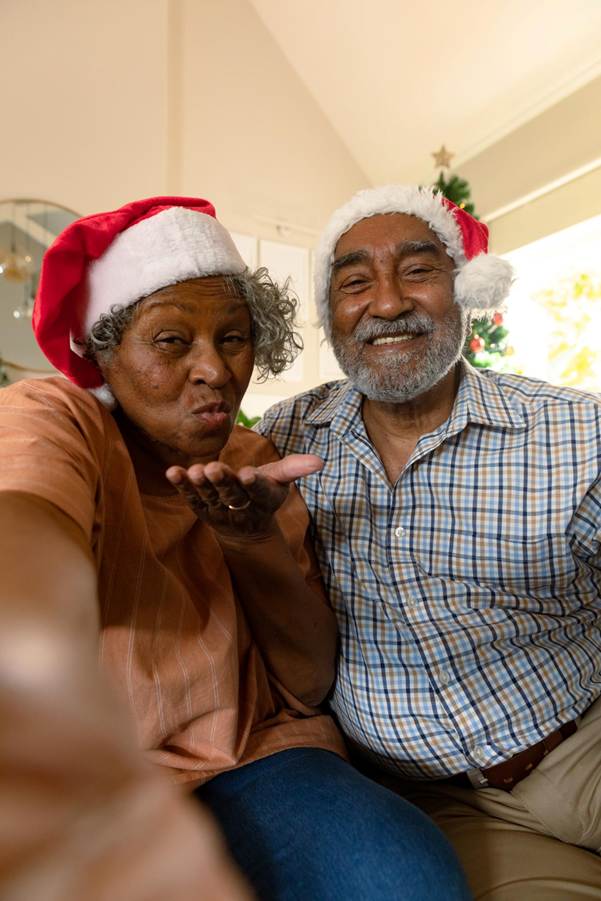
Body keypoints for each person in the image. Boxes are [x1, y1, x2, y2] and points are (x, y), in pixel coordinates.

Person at [0, 195, 470, 901]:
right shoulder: (57, 417)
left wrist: (252, 542)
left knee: (406, 881)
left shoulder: (255, 462)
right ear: (103, 350)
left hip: (256, 758)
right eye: (171, 341)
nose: (214, 369)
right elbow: (25, 518)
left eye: (233, 338)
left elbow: (307, 683)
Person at [256, 184, 601, 899]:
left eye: (416, 271)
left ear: (464, 289)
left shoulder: (573, 430)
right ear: (329, 313)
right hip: (446, 806)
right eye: (355, 283)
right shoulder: (282, 439)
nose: (386, 303)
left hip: (585, 745)